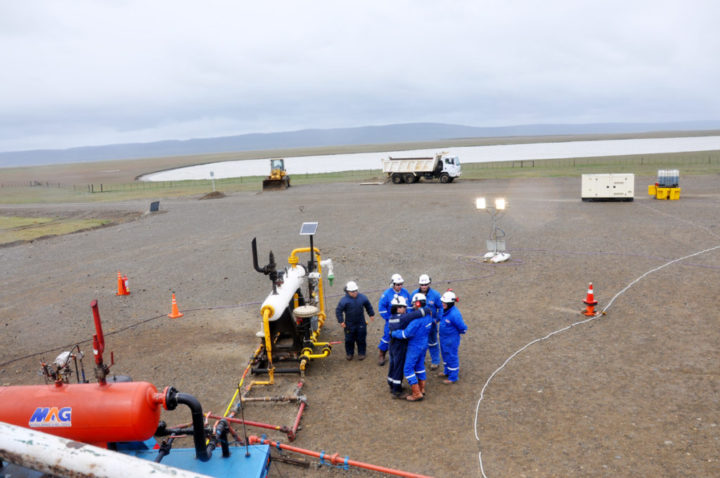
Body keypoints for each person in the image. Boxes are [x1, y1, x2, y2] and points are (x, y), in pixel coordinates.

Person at [391, 293, 433, 401]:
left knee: (408, 369)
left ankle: (416, 393)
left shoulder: (415, 320)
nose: (412, 305)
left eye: (414, 303)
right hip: (424, 345)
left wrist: (394, 333)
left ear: (417, 303)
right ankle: (422, 388)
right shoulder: (428, 315)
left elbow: (406, 334)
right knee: (419, 366)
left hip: (414, 346)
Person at [335, 281, 375, 360]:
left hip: (361, 323)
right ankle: (349, 353)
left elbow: (368, 306)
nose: (355, 292)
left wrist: (371, 314)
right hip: (349, 324)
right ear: (348, 291)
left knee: (361, 339)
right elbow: (338, 311)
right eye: (353, 291)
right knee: (349, 339)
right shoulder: (344, 301)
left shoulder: (362, 297)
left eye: (356, 290)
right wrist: (341, 321)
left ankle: (361, 353)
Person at [377, 273, 411, 366]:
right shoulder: (386, 294)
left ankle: (404, 355)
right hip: (391, 320)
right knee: (387, 337)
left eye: (401, 284)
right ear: (393, 284)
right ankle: (382, 353)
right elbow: (381, 308)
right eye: (397, 284)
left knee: (404, 337)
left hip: (404, 320)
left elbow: (409, 305)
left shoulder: (405, 292)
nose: (400, 286)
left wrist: (408, 317)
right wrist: (388, 318)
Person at [410, 274, 443, 370]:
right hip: (418, 324)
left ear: (429, 283)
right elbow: (409, 308)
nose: (424, 286)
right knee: (419, 342)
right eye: (422, 284)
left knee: (432, 342)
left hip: (431, 324)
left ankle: (435, 361)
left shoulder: (435, 295)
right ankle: (420, 360)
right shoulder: (414, 294)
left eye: (426, 284)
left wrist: (437, 319)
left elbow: (441, 307)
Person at [438, 290, 467, 384]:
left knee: (451, 356)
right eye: (442, 302)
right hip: (443, 339)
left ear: (450, 303)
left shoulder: (454, 314)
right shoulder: (444, 310)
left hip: (451, 340)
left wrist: (454, 335)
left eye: (444, 303)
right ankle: (447, 371)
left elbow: (463, 328)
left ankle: (453, 377)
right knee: (445, 355)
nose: (442, 304)